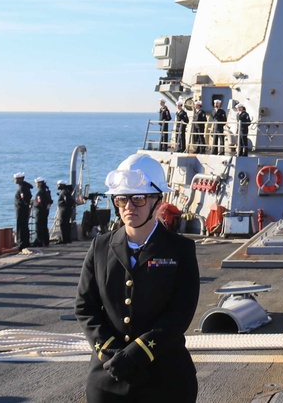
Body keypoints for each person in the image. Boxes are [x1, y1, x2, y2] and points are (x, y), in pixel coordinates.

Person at [75, 153, 199, 403]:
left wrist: (138, 354)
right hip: (109, 378)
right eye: (122, 199)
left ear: (158, 200)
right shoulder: (100, 247)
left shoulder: (180, 249)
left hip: (165, 380)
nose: (129, 207)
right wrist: (112, 353)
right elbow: (85, 307)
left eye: (139, 198)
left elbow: (180, 313)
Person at [14, 172, 33, 249]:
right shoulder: (25, 186)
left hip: (21, 209)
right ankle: (26, 242)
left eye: (16, 179)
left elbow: (24, 198)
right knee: (25, 226)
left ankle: (21, 243)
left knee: (21, 226)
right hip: (24, 209)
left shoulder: (22, 187)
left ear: (20, 179)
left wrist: (25, 204)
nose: (14, 180)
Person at [34, 177, 53, 247]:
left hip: (40, 211)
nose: (36, 184)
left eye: (36, 183)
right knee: (44, 226)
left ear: (39, 183)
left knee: (39, 226)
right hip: (45, 210)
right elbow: (49, 200)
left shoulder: (40, 191)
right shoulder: (47, 189)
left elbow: (39, 202)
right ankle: (46, 241)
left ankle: (39, 241)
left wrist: (35, 204)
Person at [58, 180, 75, 244]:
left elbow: (67, 200)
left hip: (64, 210)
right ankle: (68, 238)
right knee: (67, 224)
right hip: (67, 210)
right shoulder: (67, 191)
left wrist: (64, 204)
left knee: (63, 224)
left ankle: (64, 239)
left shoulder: (64, 192)